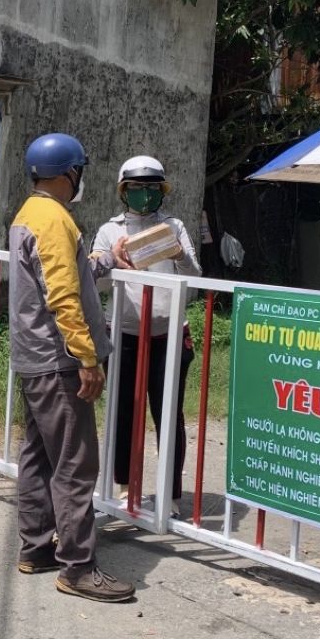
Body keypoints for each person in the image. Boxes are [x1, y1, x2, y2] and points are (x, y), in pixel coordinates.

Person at [8, 133, 137, 603]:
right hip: (58, 360)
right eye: (80, 170)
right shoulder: (54, 220)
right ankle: (79, 568)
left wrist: (104, 260)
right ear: (70, 174)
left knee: (39, 457)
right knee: (76, 465)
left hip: (33, 358)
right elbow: (62, 295)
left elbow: (70, 271)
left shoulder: (30, 214)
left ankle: (36, 547)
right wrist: (86, 357)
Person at [92, 156, 202, 517]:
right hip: (123, 334)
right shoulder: (111, 231)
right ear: (124, 192)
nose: (144, 196)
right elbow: (98, 280)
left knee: (168, 415)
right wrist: (114, 259)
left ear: (162, 192)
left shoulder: (174, 226)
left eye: (151, 189)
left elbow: (195, 280)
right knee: (123, 412)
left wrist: (180, 253)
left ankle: (170, 495)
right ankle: (125, 489)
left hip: (168, 336)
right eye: (137, 189)